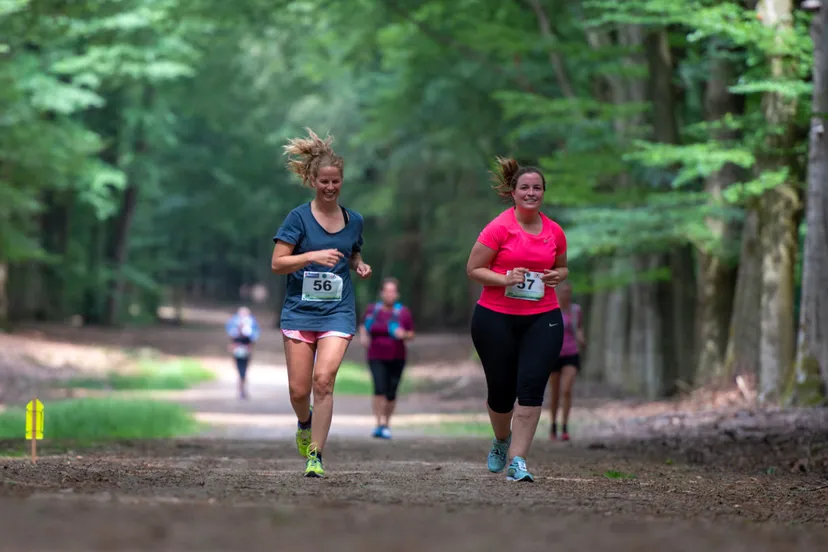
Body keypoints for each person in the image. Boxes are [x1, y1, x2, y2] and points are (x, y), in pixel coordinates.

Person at [270, 128, 372, 478]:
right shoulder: (298, 219)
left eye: (336, 181)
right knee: (299, 391)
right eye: (324, 181)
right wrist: (311, 255)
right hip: (300, 310)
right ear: (313, 180)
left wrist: (358, 264)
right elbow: (277, 262)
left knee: (323, 380)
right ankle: (304, 422)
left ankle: (316, 454)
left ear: (342, 181)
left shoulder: (354, 219)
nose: (330, 187)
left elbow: (352, 250)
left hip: (337, 311)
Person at [465, 156, 569, 482]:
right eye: (525, 187)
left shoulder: (554, 231)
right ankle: (500, 440)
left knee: (532, 388)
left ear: (543, 193)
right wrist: (505, 279)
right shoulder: (499, 228)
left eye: (537, 188)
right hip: (495, 318)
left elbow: (563, 267)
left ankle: (518, 460)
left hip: (543, 318)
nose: (531, 193)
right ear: (513, 192)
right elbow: (473, 269)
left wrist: (556, 275)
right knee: (501, 392)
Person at [358, 277, 415, 440]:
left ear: (397, 294)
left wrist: (403, 334)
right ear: (381, 293)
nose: (389, 294)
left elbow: (411, 334)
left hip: (397, 356)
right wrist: (363, 336)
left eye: (393, 291)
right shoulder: (372, 310)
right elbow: (363, 325)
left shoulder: (403, 312)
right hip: (376, 355)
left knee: (391, 391)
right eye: (387, 291)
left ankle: (387, 423)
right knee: (379, 388)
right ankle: (378, 424)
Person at [547, 280, 584, 441]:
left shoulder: (576, 310)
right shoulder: (551, 310)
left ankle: (565, 426)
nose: (567, 295)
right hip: (554, 354)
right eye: (564, 292)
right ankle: (553, 424)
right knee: (554, 393)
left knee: (566, 390)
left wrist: (582, 337)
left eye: (569, 292)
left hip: (571, 353)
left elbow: (579, 328)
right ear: (558, 293)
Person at [225, 307, 260, 400]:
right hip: (237, 352)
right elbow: (232, 338)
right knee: (240, 371)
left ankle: (242, 390)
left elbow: (253, 339)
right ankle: (241, 390)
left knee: (243, 372)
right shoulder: (234, 326)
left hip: (246, 352)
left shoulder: (251, 327)